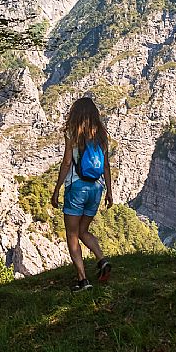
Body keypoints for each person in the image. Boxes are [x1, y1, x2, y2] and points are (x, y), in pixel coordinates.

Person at [51, 96, 114, 291]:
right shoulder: (102, 135)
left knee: (72, 234)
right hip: (96, 189)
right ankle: (102, 260)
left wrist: (56, 189)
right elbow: (106, 166)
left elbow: (67, 163)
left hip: (76, 188)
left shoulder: (72, 133)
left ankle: (83, 280)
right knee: (83, 231)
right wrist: (109, 192)